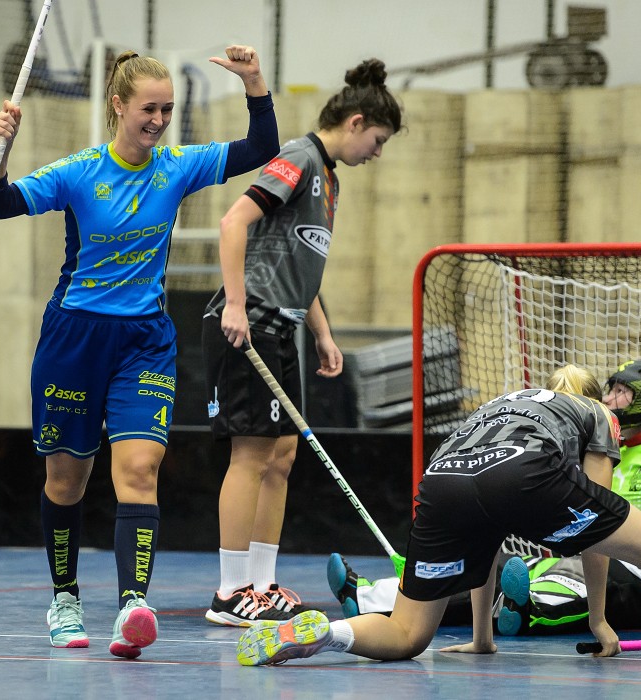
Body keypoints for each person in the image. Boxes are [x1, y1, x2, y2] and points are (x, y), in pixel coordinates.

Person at [0, 46, 278, 658]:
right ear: (118, 106)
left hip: (145, 341)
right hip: (75, 339)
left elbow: (259, 150)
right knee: (67, 480)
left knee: (139, 472)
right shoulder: (78, 172)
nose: (160, 119)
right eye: (149, 108)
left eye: (168, 109)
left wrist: (255, 85)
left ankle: (132, 606)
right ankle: (64, 599)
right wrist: (1, 150)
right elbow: (0, 202)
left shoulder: (178, 167)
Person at [235, 364, 641, 665]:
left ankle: (327, 631)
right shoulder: (597, 416)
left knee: (408, 634)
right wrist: (600, 620)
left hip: (442, 481)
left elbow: (487, 543)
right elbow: (594, 530)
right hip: (524, 474)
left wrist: (483, 640)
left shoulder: (507, 403)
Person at [202, 59, 402, 627]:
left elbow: (299, 264)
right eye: (378, 140)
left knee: (283, 456)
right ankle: (229, 592)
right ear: (357, 121)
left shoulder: (329, 179)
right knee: (251, 454)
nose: (378, 152)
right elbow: (233, 224)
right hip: (248, 322)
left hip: (282, 326)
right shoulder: (299, 158)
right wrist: (236, 305)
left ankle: (261, 585)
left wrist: (322, 333)